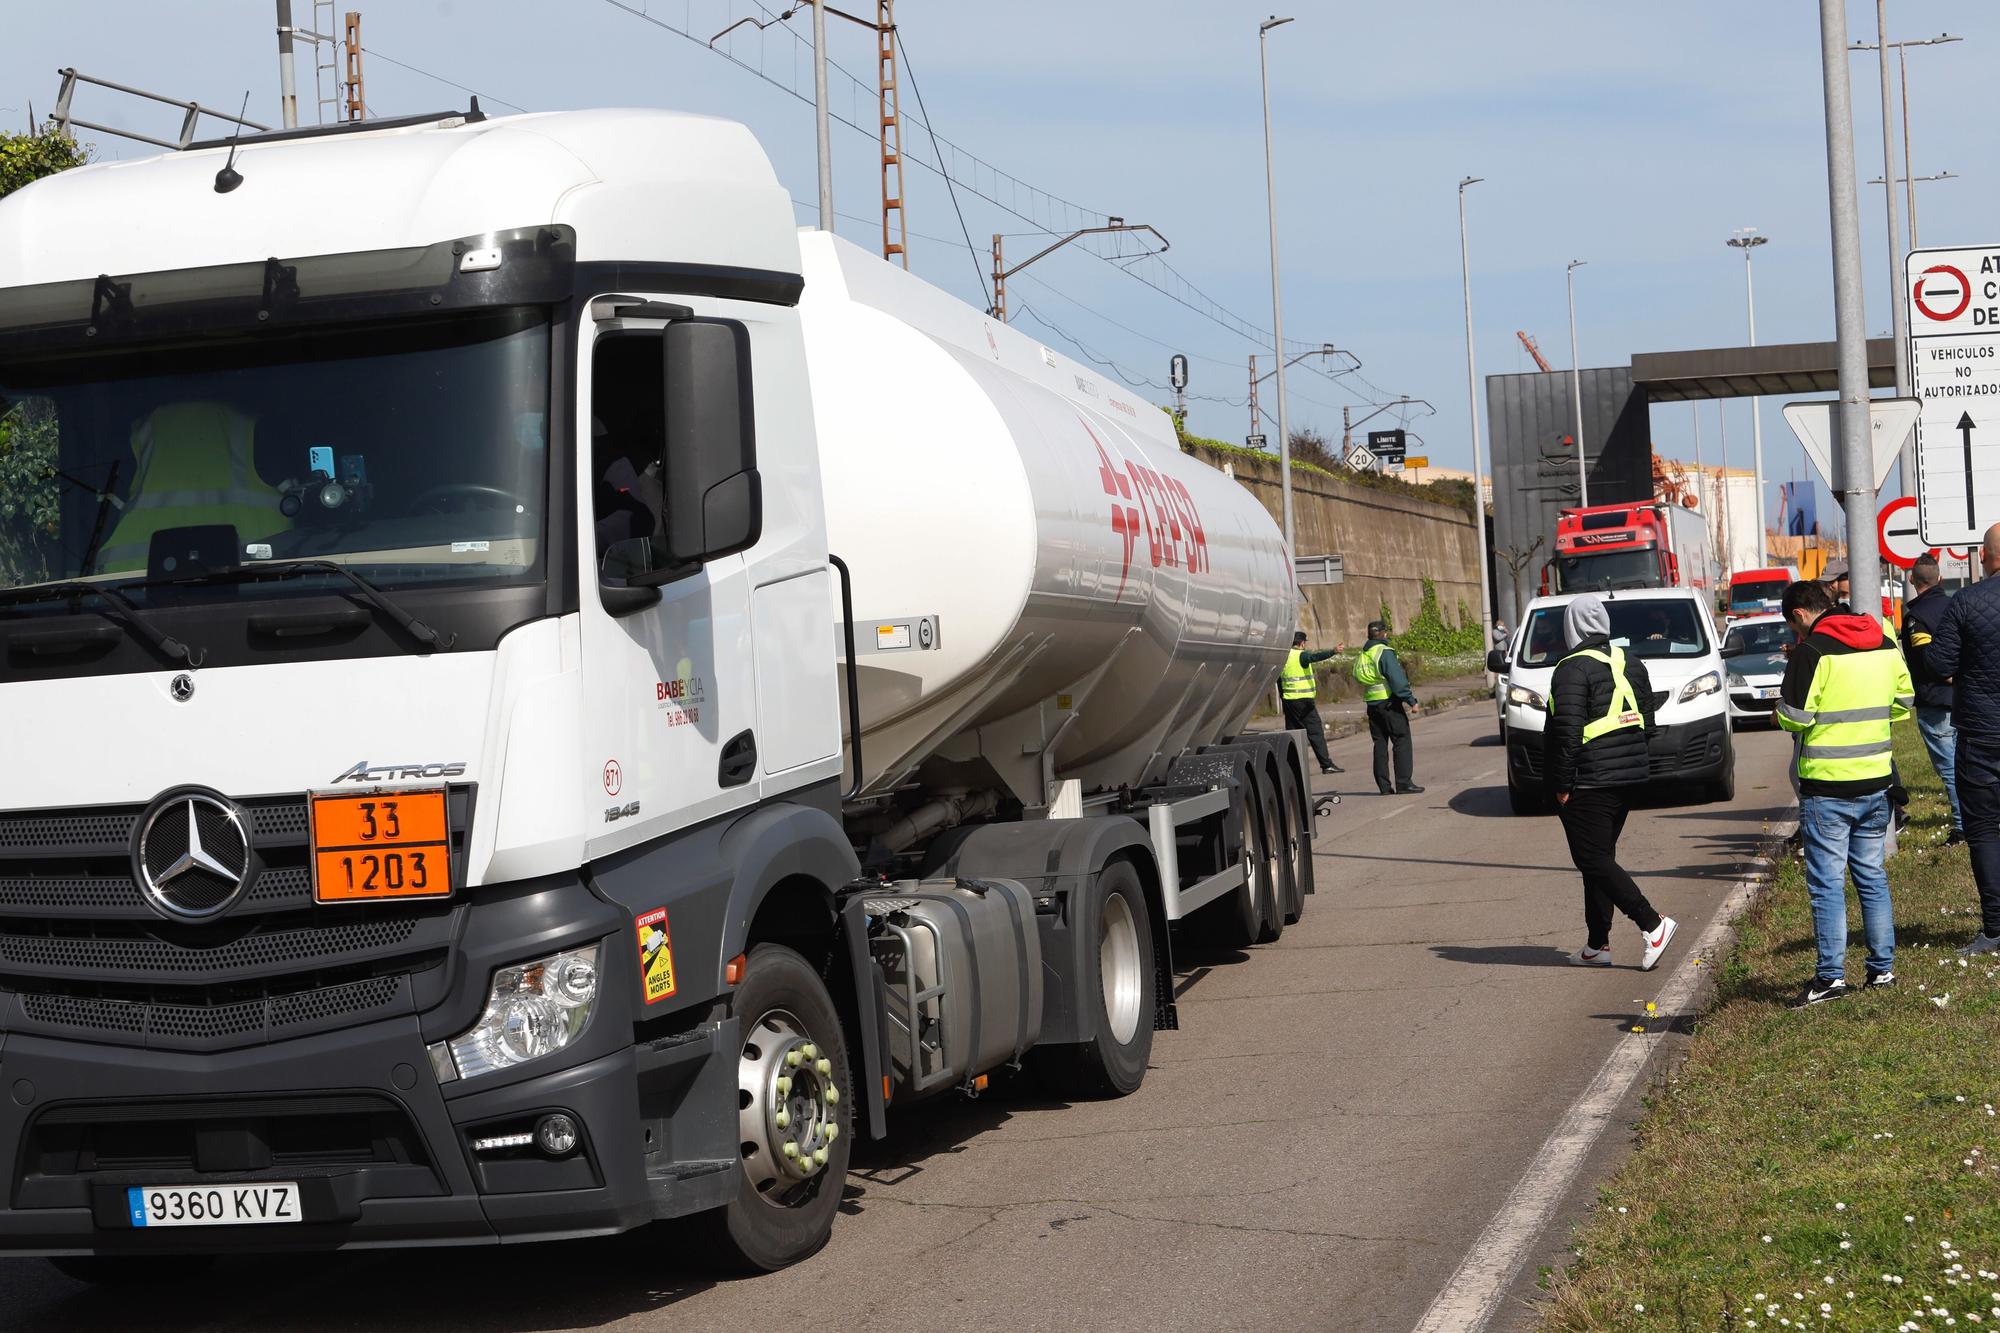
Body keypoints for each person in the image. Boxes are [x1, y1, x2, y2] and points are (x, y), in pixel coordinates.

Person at [1775, 579, 1913, 1004]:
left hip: (1827, 787)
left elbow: (1794, 718)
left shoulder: (1812, 651)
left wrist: (1782, 704)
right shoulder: (1885, 640)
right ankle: (1882, 970)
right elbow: (1904, 701)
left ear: (1800, 615)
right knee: (1871, 876)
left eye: (1794, 628)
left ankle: (1831, 977)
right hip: (1876, 780)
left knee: (1828, 884)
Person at [1545, 593, 1678, 970]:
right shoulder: (1630, 661)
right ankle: (1597, 944)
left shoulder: (1570, 668)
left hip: (1590, 778)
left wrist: (1561, 782)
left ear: (1571, 628)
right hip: (1629, 774)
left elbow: (1567, 732)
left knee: (1591, 857)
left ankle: (1652, 924)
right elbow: (1647, 722)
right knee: (1599, 858)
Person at [1926, 524, 2000, 956]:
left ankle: (1994, 928)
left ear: (1988, 557)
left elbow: (1938, 662)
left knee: (1986, 831)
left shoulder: (1967, 602)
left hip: (1982, 733)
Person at [1901, 553, 1963, 845]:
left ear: (1912, 580)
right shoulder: (1957, 605)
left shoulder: (1916, 617)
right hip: (1966, 698)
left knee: (1950, 769)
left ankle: (1964, 827)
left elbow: (1929, 662)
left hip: (1937, 703)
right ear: (1940, 579)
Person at [1354, 621, 1421, 795]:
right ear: (1384, 634)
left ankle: (1384, 786)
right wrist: (1411, 700)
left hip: (1372, 704)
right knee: (1401, 739)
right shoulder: (1384, 652)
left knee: (1380, 744)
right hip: (1389, 704)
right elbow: (1397, 680)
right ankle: (1404, 783)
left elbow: (1356, 675)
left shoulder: (1364, 653)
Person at [1279, 630, 1345, 774]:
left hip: (1289, 702)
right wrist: (1333, 651)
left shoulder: (1283, 657)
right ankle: (1326, 764)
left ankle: (1291, 768)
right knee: (1315, 732)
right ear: (1302, 643)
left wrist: (1283, 698)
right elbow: (1315, 656)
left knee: (1293, 735)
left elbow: (1279, 680)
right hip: (1303, 702)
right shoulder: (1301, 655)